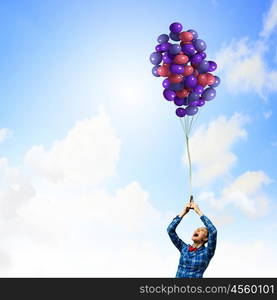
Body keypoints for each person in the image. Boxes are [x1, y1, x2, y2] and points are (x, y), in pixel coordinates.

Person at [167, 199, 217, 278]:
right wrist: (184, 212)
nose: (197, 230)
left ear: (206, 239)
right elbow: (170, 230)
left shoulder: (207, 253)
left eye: (202, 230)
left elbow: (213, 231)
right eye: (197, 229)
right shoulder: (184, 248)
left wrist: (198, 211)